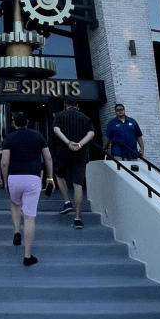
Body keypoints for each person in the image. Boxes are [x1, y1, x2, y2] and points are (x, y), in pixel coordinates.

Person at [1, 111, 54, 267]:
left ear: (14, 123)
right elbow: (48, 158)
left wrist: (5, 180)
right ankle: (27, 256)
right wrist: (50, 178)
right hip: (33, 178)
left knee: (15, 203)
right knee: (29, 217)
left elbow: (4, 162)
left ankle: (17, 231)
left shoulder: (9, 138)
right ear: (27, 122)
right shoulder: (37, 136)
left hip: (14, 177)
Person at [51, 99, 95, 230]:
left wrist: (68, 143)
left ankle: (67, 201)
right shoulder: (85, 117)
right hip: (81, 154)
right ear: (77, 106)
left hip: (63, 152)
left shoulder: (60, 116)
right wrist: (80, 144)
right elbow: (91, 133)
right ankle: (77, 218)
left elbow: (56, 130)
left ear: (66, 105)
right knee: (78, 184)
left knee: (59, 175)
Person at [103, 102, 144, 166]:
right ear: (115, 112)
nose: (120, 111)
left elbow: (139, 136)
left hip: (132, 152)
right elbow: (107, 137)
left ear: (124, 110)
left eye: (121, 109)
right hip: (118, 153)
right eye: (117, 110)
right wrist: (104, 148)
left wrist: (142, 148)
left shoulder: (132, 121)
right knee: (120, 171)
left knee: (133, 172)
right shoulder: (111, 123)